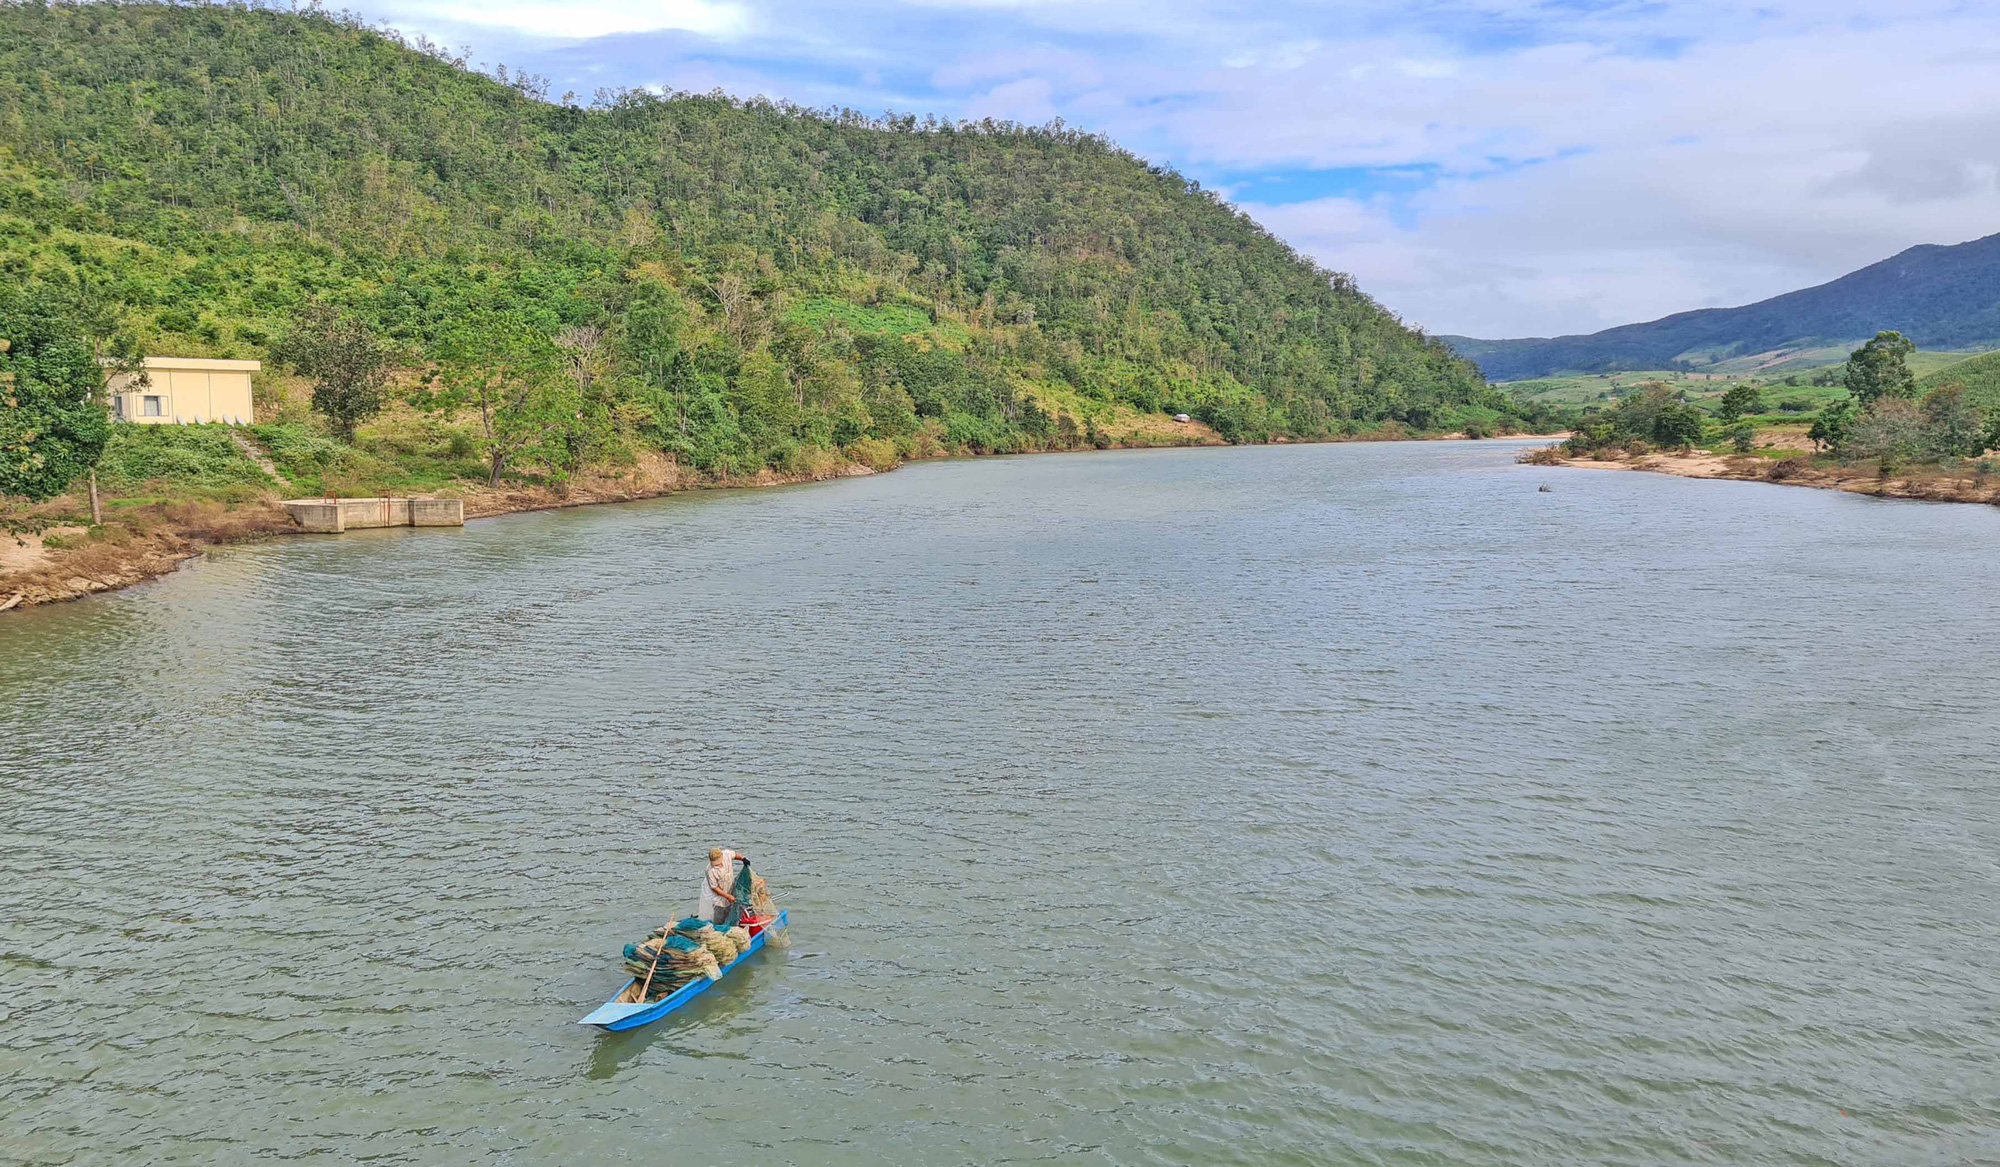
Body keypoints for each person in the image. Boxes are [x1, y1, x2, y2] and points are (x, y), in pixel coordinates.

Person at [698, 847, 749, 925]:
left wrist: (743, 858)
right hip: (719, 898)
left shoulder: (726, 854)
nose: (716, 864)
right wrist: (727, 896)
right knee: (719, 918)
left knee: (733, 912)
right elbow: (714, 887)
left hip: (731, 889)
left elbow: (735, 855)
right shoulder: (710, 870)